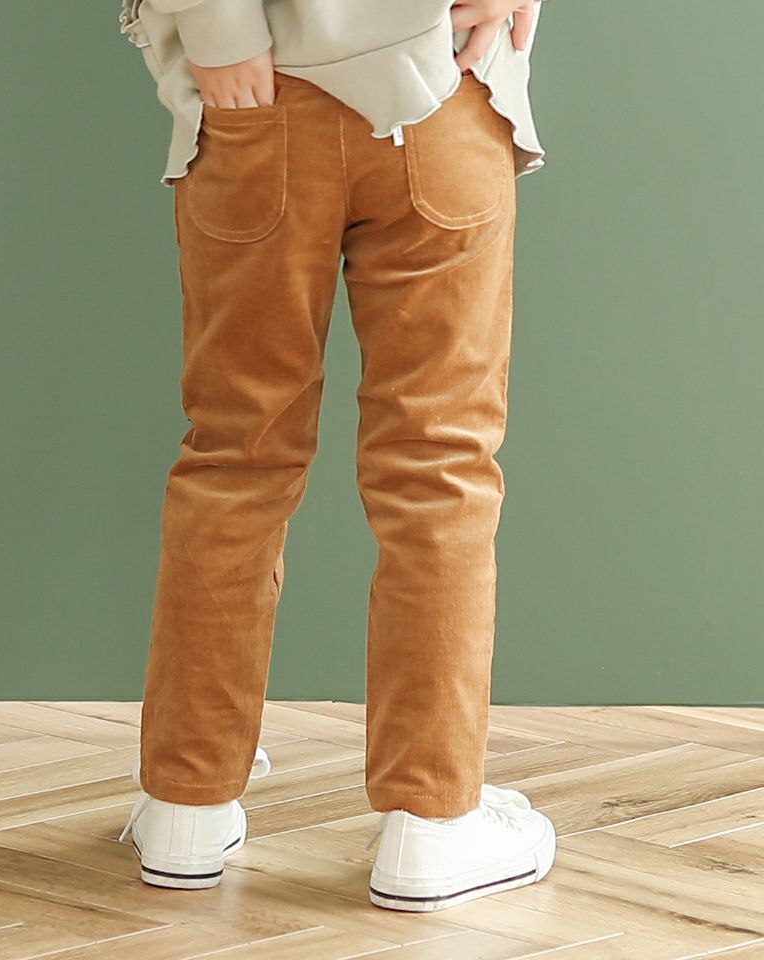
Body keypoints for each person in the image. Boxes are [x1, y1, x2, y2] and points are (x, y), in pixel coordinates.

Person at [117, 0, 556, 911]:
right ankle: (433, 824)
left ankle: (186, 803)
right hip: (442, 89)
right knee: (438, 467)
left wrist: (218, 24)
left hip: (259, 99)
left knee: (235, 455)